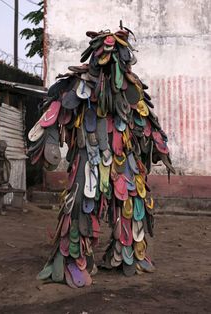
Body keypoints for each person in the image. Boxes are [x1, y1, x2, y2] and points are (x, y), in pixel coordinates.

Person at [28, 25, 175, 288]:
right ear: (95, 56)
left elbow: (145, 117)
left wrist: (157, 142)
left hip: (125, 158)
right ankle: (73, 255)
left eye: (115, 54)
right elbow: (58, 105)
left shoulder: (132, 88)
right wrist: (48, 137)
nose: (110, 59)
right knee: (80, 207)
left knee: (132, 206)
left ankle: (127, 255)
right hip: (88, 155)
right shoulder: (78, 85)